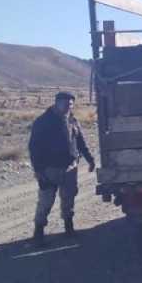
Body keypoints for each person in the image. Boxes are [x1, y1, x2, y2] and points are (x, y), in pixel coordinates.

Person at [28, 91, 96, 244]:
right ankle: (38, 232)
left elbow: (81, 143)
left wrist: (90, 160)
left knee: (68, 199)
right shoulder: (43, 121)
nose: (67, 107)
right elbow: (34, 148)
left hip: (70, 168)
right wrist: (38, 170)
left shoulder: (72, 121)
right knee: (46, 201)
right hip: (49, 169)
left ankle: (69, 228)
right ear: (56, 103)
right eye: (65, 104)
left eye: (70, 104)